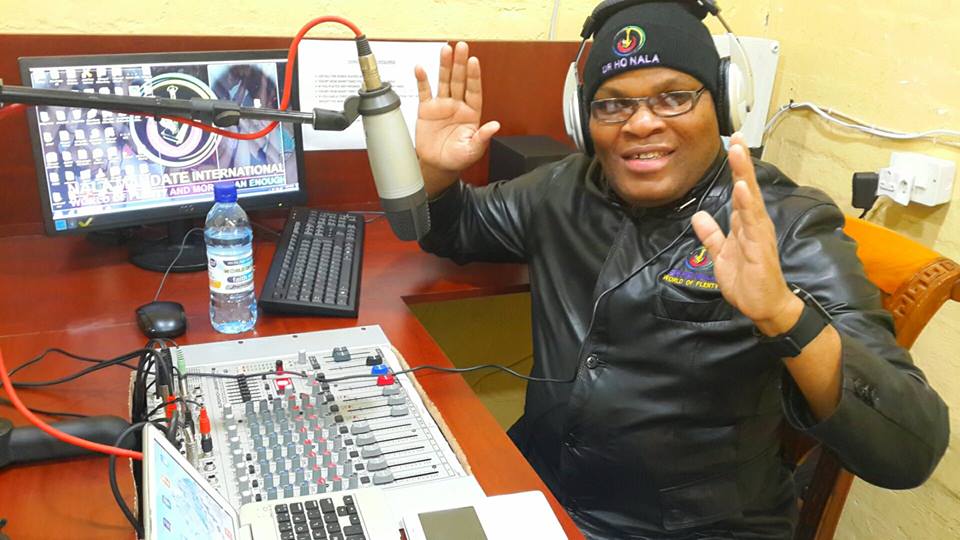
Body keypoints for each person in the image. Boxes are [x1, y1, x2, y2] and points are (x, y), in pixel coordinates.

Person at [413, 2, 949, 539]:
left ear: (724, 104)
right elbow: (456, 227)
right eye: (613, 105)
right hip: (537, 487)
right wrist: (435, 174)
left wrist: (784, 314)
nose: (642, 123)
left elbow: (909, 451)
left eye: (673, 97)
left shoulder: (784, 224)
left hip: (690, 529)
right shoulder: (563, 188)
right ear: (583, 119)